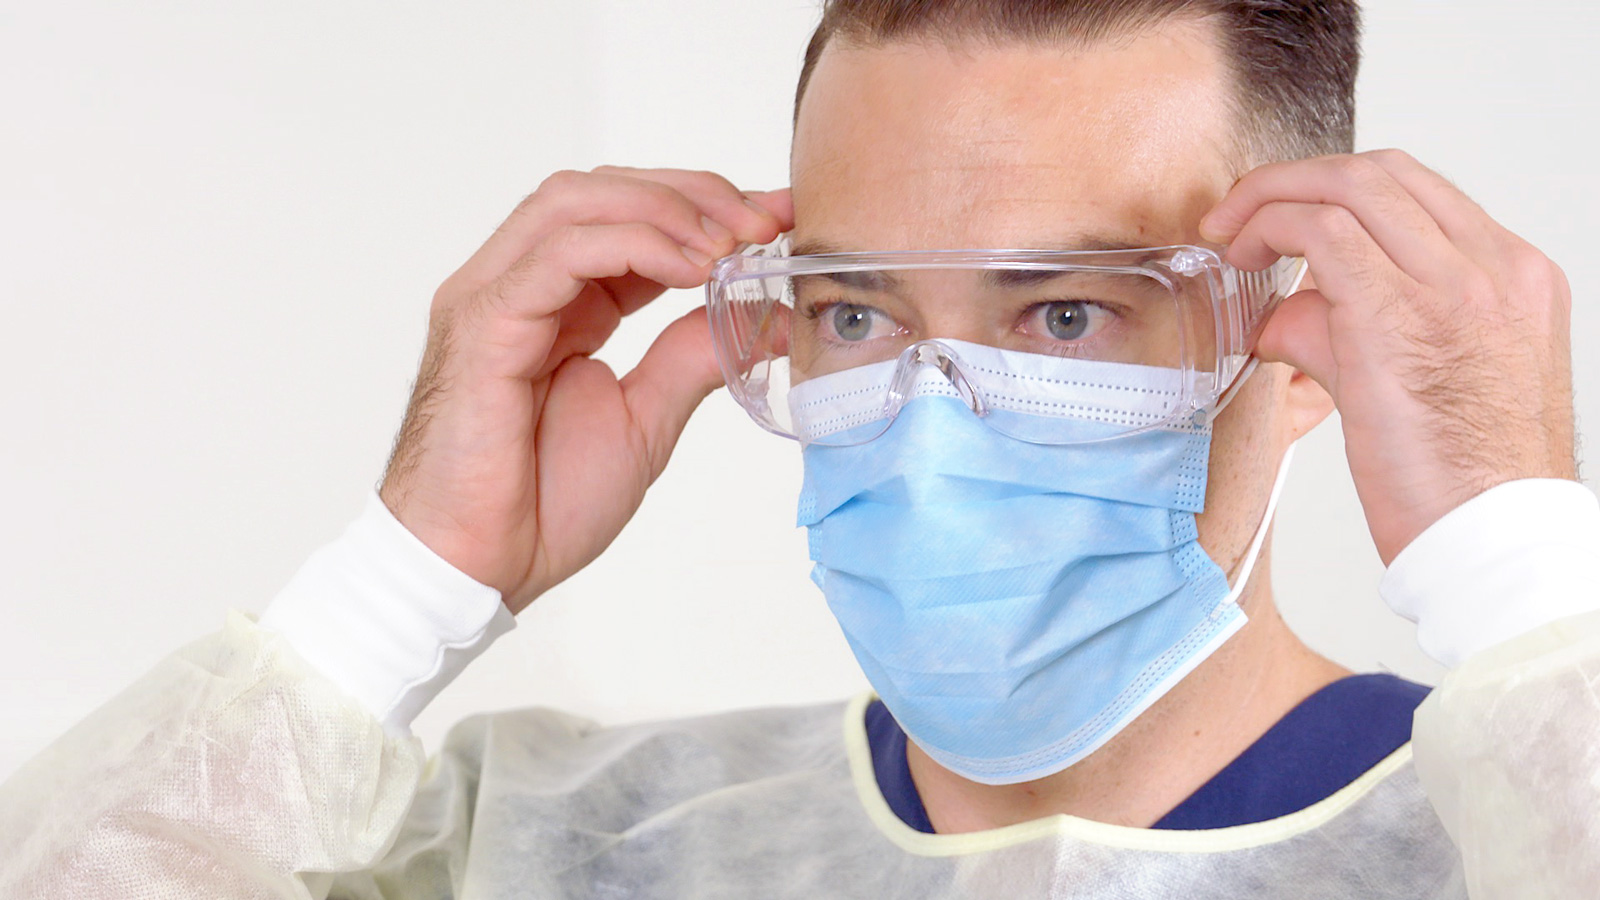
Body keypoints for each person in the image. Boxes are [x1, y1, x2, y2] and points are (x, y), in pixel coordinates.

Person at [2, 0, 1596, 896]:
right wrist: (397, 589)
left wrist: (1520, 575)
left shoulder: (1504, 842)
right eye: (852, 318)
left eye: (1066, 317)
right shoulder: (547, 847)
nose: (925, 423)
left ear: (1319, 343)